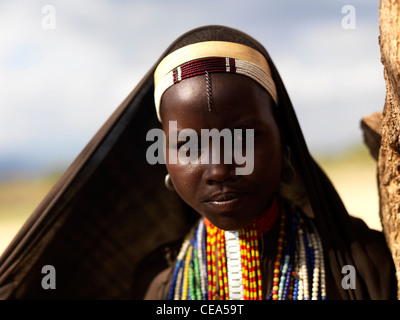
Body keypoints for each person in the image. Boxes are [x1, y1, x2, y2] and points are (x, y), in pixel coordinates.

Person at [0, 25, 396, 300]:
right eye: (189, 146)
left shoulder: (363, 266)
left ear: (285, 148)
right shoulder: (159, 282)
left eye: (244, 136)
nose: (221, 169)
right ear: (166, 165)